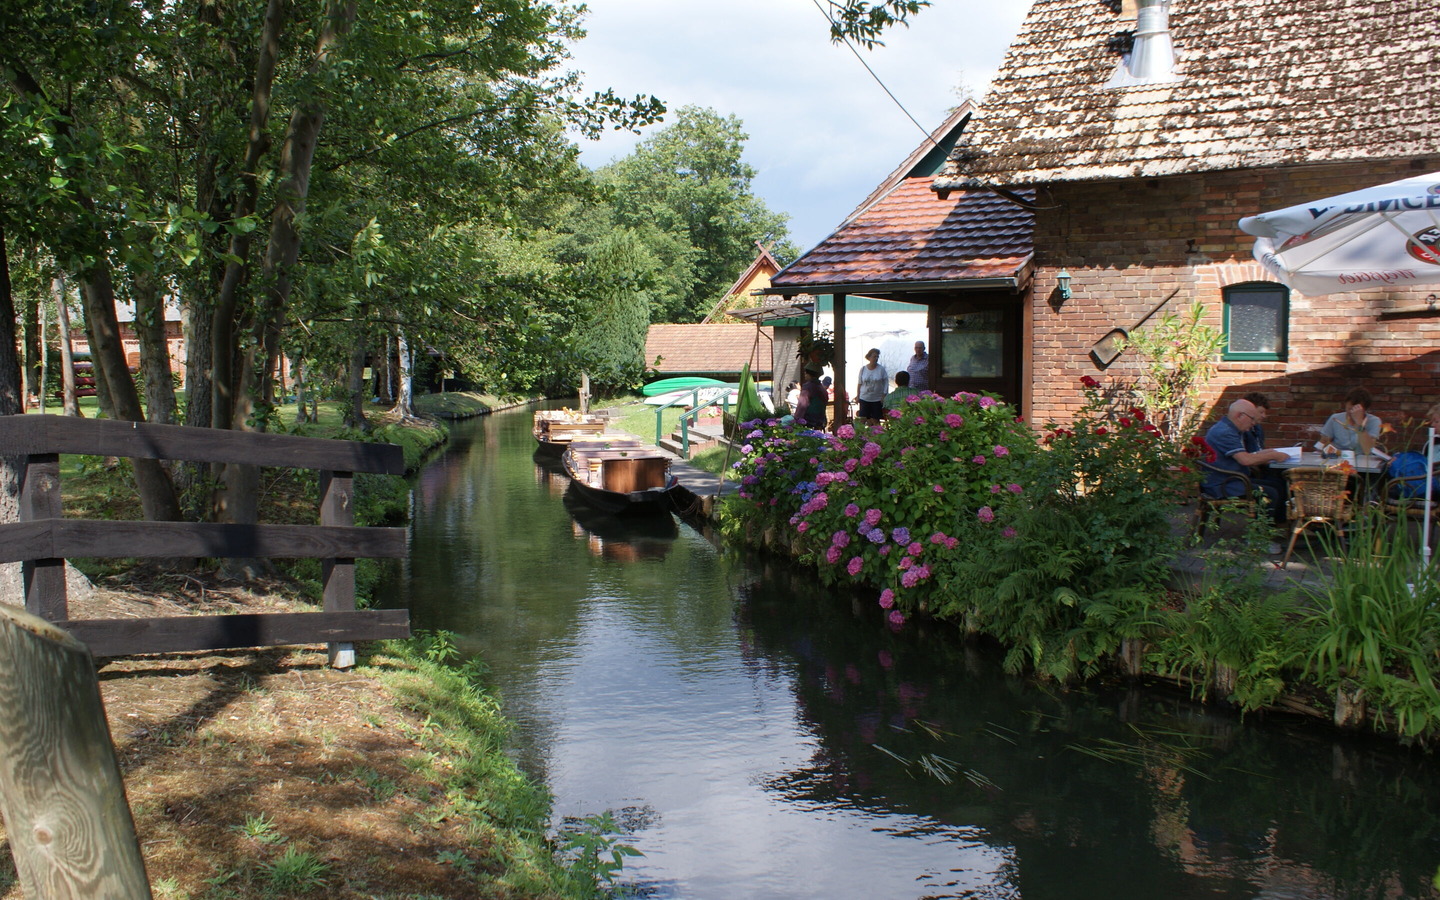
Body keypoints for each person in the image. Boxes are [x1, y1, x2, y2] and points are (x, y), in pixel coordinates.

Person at [1203, 398, 1291, 526]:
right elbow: (1245, 460)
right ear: (1240, 416)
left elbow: (1245, 455)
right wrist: (1273, 455)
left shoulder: (1231, 428)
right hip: (1222, 484)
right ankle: (1261, 537)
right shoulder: (1225, 432)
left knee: (1278, 484)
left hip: (1231, 478)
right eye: (1252, 419)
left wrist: (1267, 453)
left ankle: (1277, 527)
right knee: (1270, 493)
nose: (1254, 423)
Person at [1319, 387, 1381, 453]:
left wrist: (1359, 423)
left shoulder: (1375, 421)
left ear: (1364, 410)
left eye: (1356, 410)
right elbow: (1322, 444)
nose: (1351, 413)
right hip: (1337, 457)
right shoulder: (1335, 418)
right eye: (1349, 409)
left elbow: (1368, 450)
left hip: (1362, 459)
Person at [855, 348, 888, 425]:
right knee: (862, 419)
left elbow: (886, 382)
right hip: (864, 398)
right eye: (874, 356)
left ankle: (877, 435)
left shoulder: (881, 369)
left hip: (876, 399)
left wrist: (884, 394)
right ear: (869, 357)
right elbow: (859, 383)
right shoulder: (863, 369)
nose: (876, 358)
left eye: (877, 357)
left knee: (875, 420)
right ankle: (861, 435)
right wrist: (858, 396)